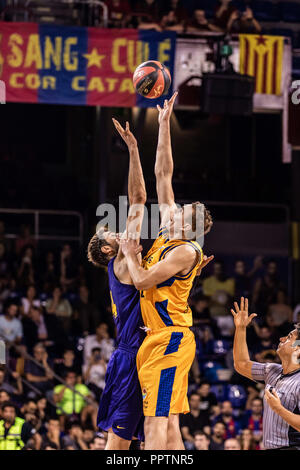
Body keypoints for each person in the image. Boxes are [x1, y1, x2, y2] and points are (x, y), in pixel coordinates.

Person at [119, 92, 213, 450]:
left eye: (183, 209)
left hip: (170, 337)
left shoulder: (185, 250)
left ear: (189, 226)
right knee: (168, 419)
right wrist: (162, 125)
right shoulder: (167, 234)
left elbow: (142, 280)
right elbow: (163, 171)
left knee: (156, 419)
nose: (174, 207)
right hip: (157, 336)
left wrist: (130, 254)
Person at [87, 118, 147, 450]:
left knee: (152, 432)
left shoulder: (125, 260)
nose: (119, 230)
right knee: (118, 443)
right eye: (113, 233)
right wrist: (134, 149)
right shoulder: (122, 260)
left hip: (141, 351)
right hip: (130, 357)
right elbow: (138, 198)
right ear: (109, 249)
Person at [232, 297, 300, 450]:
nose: (281, 338)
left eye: (289, 338)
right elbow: (241, 364)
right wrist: (241, 328)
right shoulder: (272, 370)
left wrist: (279, 409)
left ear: (298, 348)